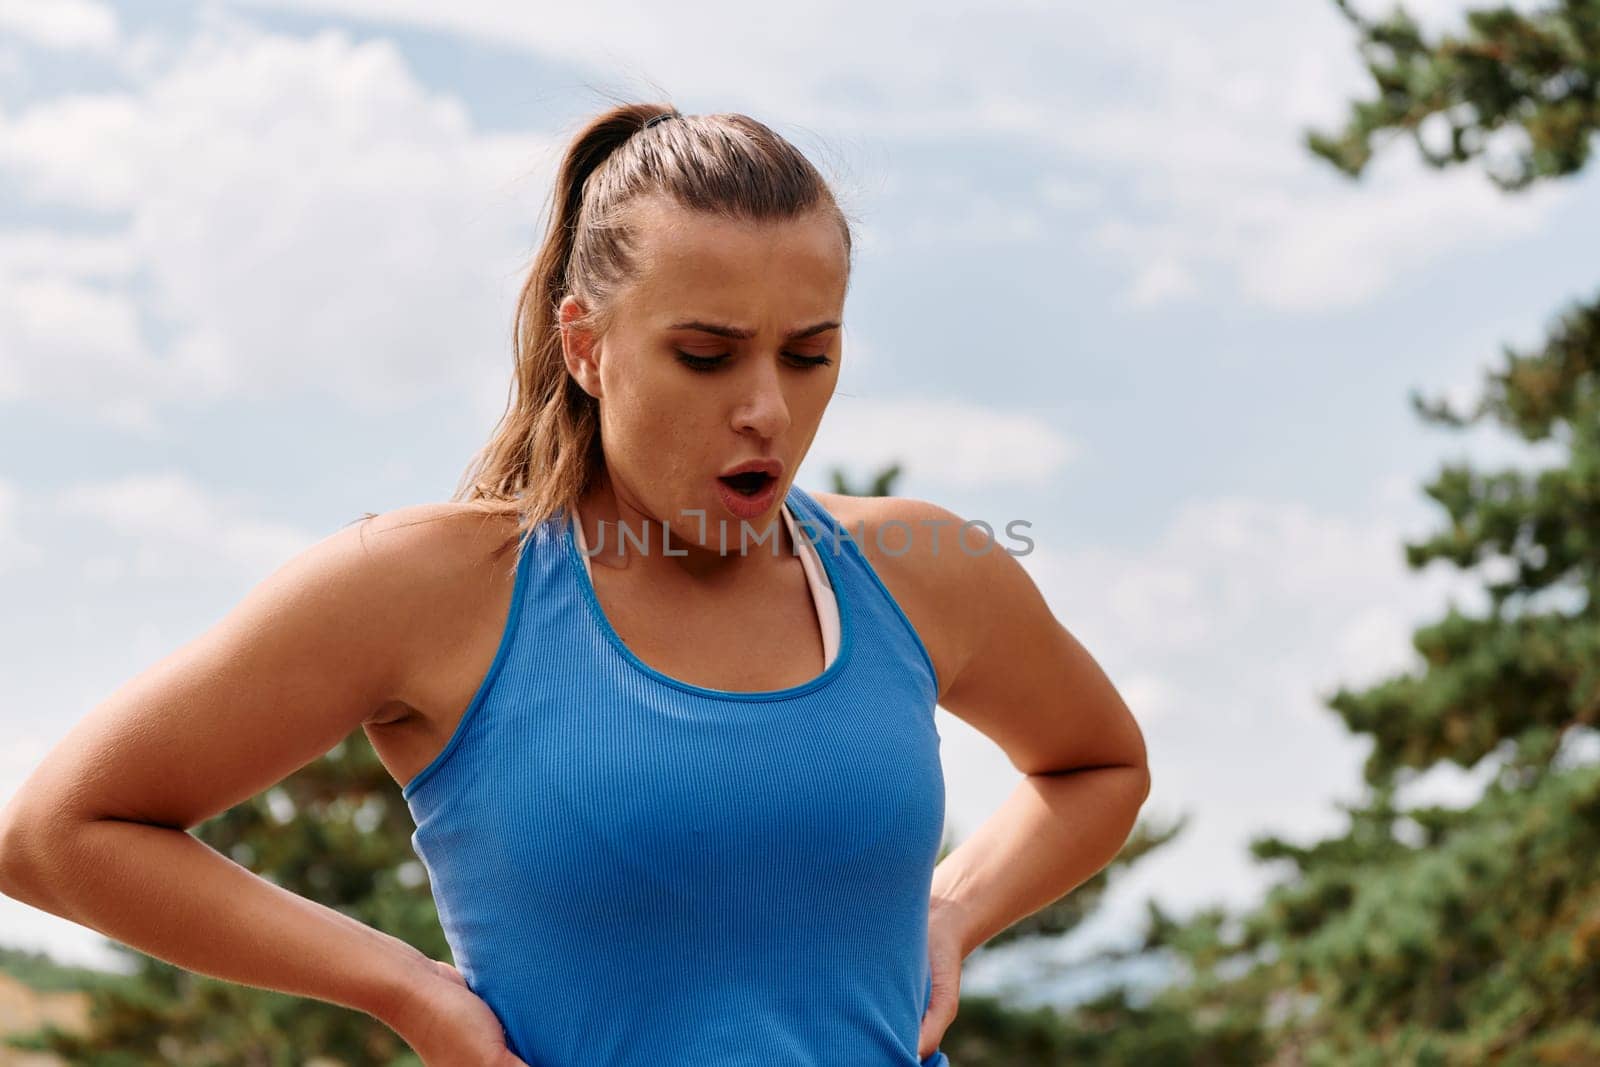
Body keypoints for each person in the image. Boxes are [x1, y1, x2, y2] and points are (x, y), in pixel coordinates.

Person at [0, 101, 1151, 1066]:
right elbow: (57, 828)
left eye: (809, 353)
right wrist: (406, 987)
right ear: (587, 345)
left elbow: (1098, 762)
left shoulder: (917, 570)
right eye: (705, 355)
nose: (766, 407)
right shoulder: (432, 584)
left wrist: (950, 914)